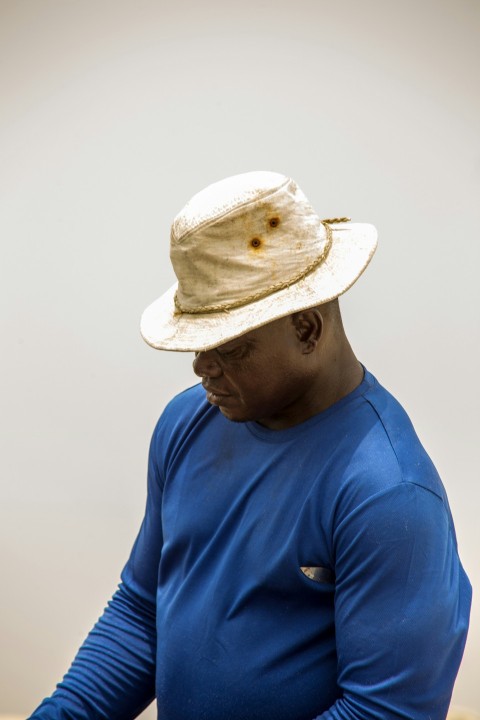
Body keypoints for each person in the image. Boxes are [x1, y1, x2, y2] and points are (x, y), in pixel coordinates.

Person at [29, 171, 471, 720]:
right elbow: (143, 612)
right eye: (197, 342)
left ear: (307, 329)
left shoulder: (389, 494)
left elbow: (385, 711)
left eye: (228, 347)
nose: (200, 367)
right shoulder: (186, 424)